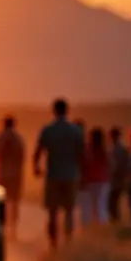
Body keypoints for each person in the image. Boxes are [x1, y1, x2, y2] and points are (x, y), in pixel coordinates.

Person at [33, 98, 84, 248]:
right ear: (67, 111)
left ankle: (53, 243)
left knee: (53, 212)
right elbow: (81, 154)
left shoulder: (48, 130)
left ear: (54, 111)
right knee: (69, 211)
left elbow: (38, 151)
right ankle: (68, 241)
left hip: (53, 174)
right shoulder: (76, 131)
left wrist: (36, 167)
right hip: (70, 174)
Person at [0, 115, 25, 239]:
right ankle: (13, 230)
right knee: (15, 202)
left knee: (2, 202)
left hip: (3, 173)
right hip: (15, 174)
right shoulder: (18, 139)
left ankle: (3, 230)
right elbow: (22, 157)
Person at [79, 127, 111, 226]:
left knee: (88, 208)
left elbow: (83, 165)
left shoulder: (87, 150)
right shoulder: (105, 150)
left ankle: (89, 228)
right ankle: (101, 227)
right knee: (101, 207)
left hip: (90, 181)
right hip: (102, 181)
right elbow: (109, 165)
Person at [107, 126, 130, 222]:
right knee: (114, 203)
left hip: (115, 180)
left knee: (112, 204)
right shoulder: (122, 149)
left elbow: (116, 166)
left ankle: (116, 221)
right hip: (118, 180)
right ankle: (116, 221)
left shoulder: (116, 150)